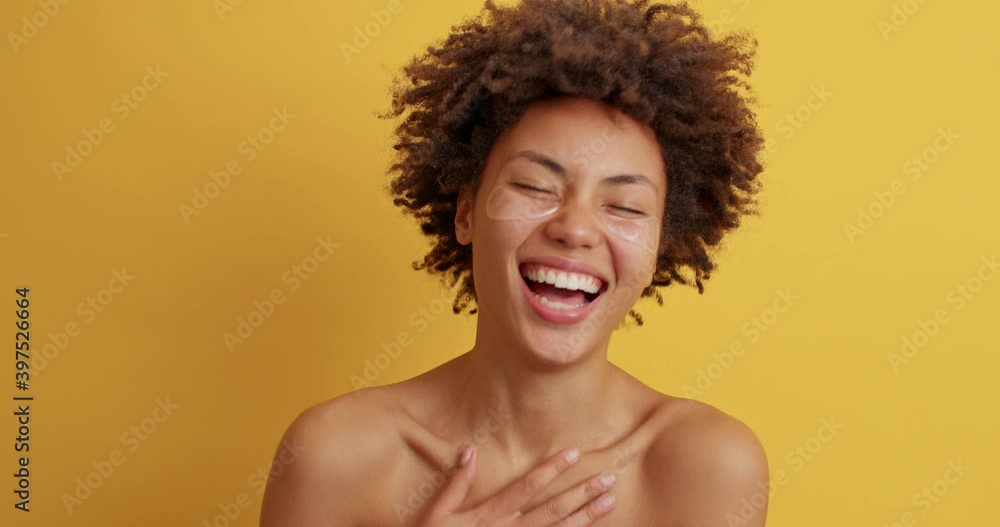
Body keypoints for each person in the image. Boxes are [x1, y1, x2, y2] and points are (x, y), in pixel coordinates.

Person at [261, 0, 769, 525]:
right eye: (534, 186)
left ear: (663, 244)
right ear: (465, 214)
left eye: (624, 206)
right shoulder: (334, 455)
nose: (574, 228)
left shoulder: (707, 467)